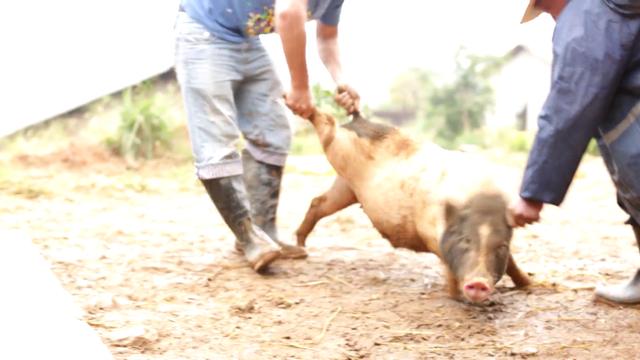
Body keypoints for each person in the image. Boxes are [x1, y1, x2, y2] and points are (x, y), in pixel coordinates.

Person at [174, 0, 360, 272]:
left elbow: (327, 37)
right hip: (204, 31)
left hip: (246, 40)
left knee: (273, 130)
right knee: (215, 139)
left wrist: (341, 79)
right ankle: (248, 237)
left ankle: (264, 231)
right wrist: (299, 87)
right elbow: (287, 14)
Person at [511, 0, 640, 304]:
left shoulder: (587, 17)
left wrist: (532, 193)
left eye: (544, 7)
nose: (552, 18)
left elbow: (568, 107)